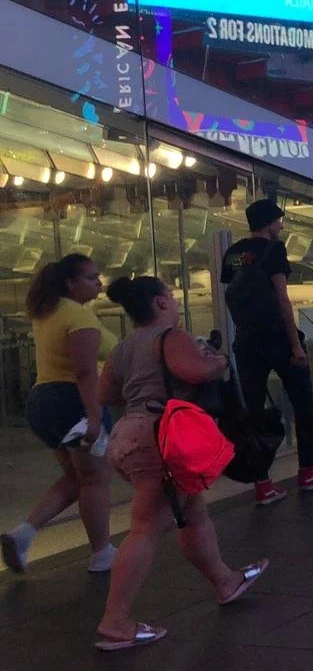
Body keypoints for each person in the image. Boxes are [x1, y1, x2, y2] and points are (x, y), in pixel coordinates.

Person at [95, 277, 267, 650]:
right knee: (145, 526)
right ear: (159, 302)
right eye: (170, 297)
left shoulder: (123, 347)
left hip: (131, 433)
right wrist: (217, 361)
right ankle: (116, 621)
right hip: (162, 437)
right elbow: (195, 372)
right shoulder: (171, 336)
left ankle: (225, 580)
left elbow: (106, 393)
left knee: (192, 513)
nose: (174, 303)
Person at [1, 255, 115, 575]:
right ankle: (102, 553)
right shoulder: (77, 317)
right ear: (70, 283)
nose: (99, 283)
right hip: (73, 402)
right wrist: (94, 418)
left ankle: (22, 534)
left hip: (44, 401)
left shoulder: (48, 312)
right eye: (92, 278)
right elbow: (84, 372)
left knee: (76, 478)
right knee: (95, 479)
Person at [221, 199, 313, 505]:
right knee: (303, 403)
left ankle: (262, 484)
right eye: (279, 221)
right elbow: (281, 298)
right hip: (278, 338)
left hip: (246, 342)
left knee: (252, 412)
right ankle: (308, 472)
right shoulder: (274, 251)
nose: (281, 226)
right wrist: (295, 345)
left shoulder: (232, 253)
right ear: (269, 222)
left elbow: (231, 295)